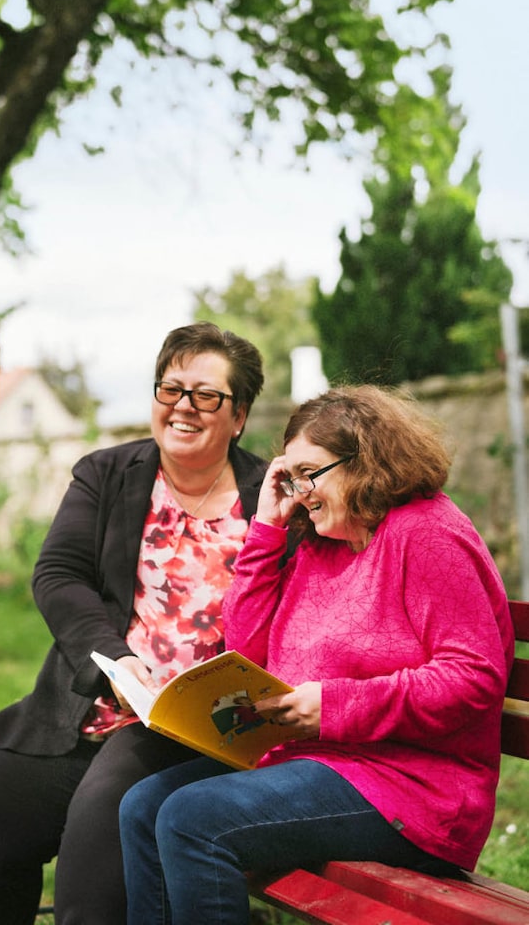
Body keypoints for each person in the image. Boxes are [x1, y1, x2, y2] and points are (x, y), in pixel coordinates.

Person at [119, 384, 515, 925]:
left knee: (192, 817)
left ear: (367, 464)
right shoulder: (323, 543)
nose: (300, 490)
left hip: (414, 790)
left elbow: (473, 677)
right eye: (291, 474)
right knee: (142, 806)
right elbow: (249, 647)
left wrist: (332, 707)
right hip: (321, 766)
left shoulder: (426, 535)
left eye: (310, 473)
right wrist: (267, 529)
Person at [0, 322, 267, 925]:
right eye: (171, 389)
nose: (184, 407)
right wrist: (115, 658)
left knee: (100, 833)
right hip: (96, 707)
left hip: (195, 728)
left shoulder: (268, 498)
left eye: (207, 395)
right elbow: (58, 574)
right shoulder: (108, 473)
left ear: (239, 414)